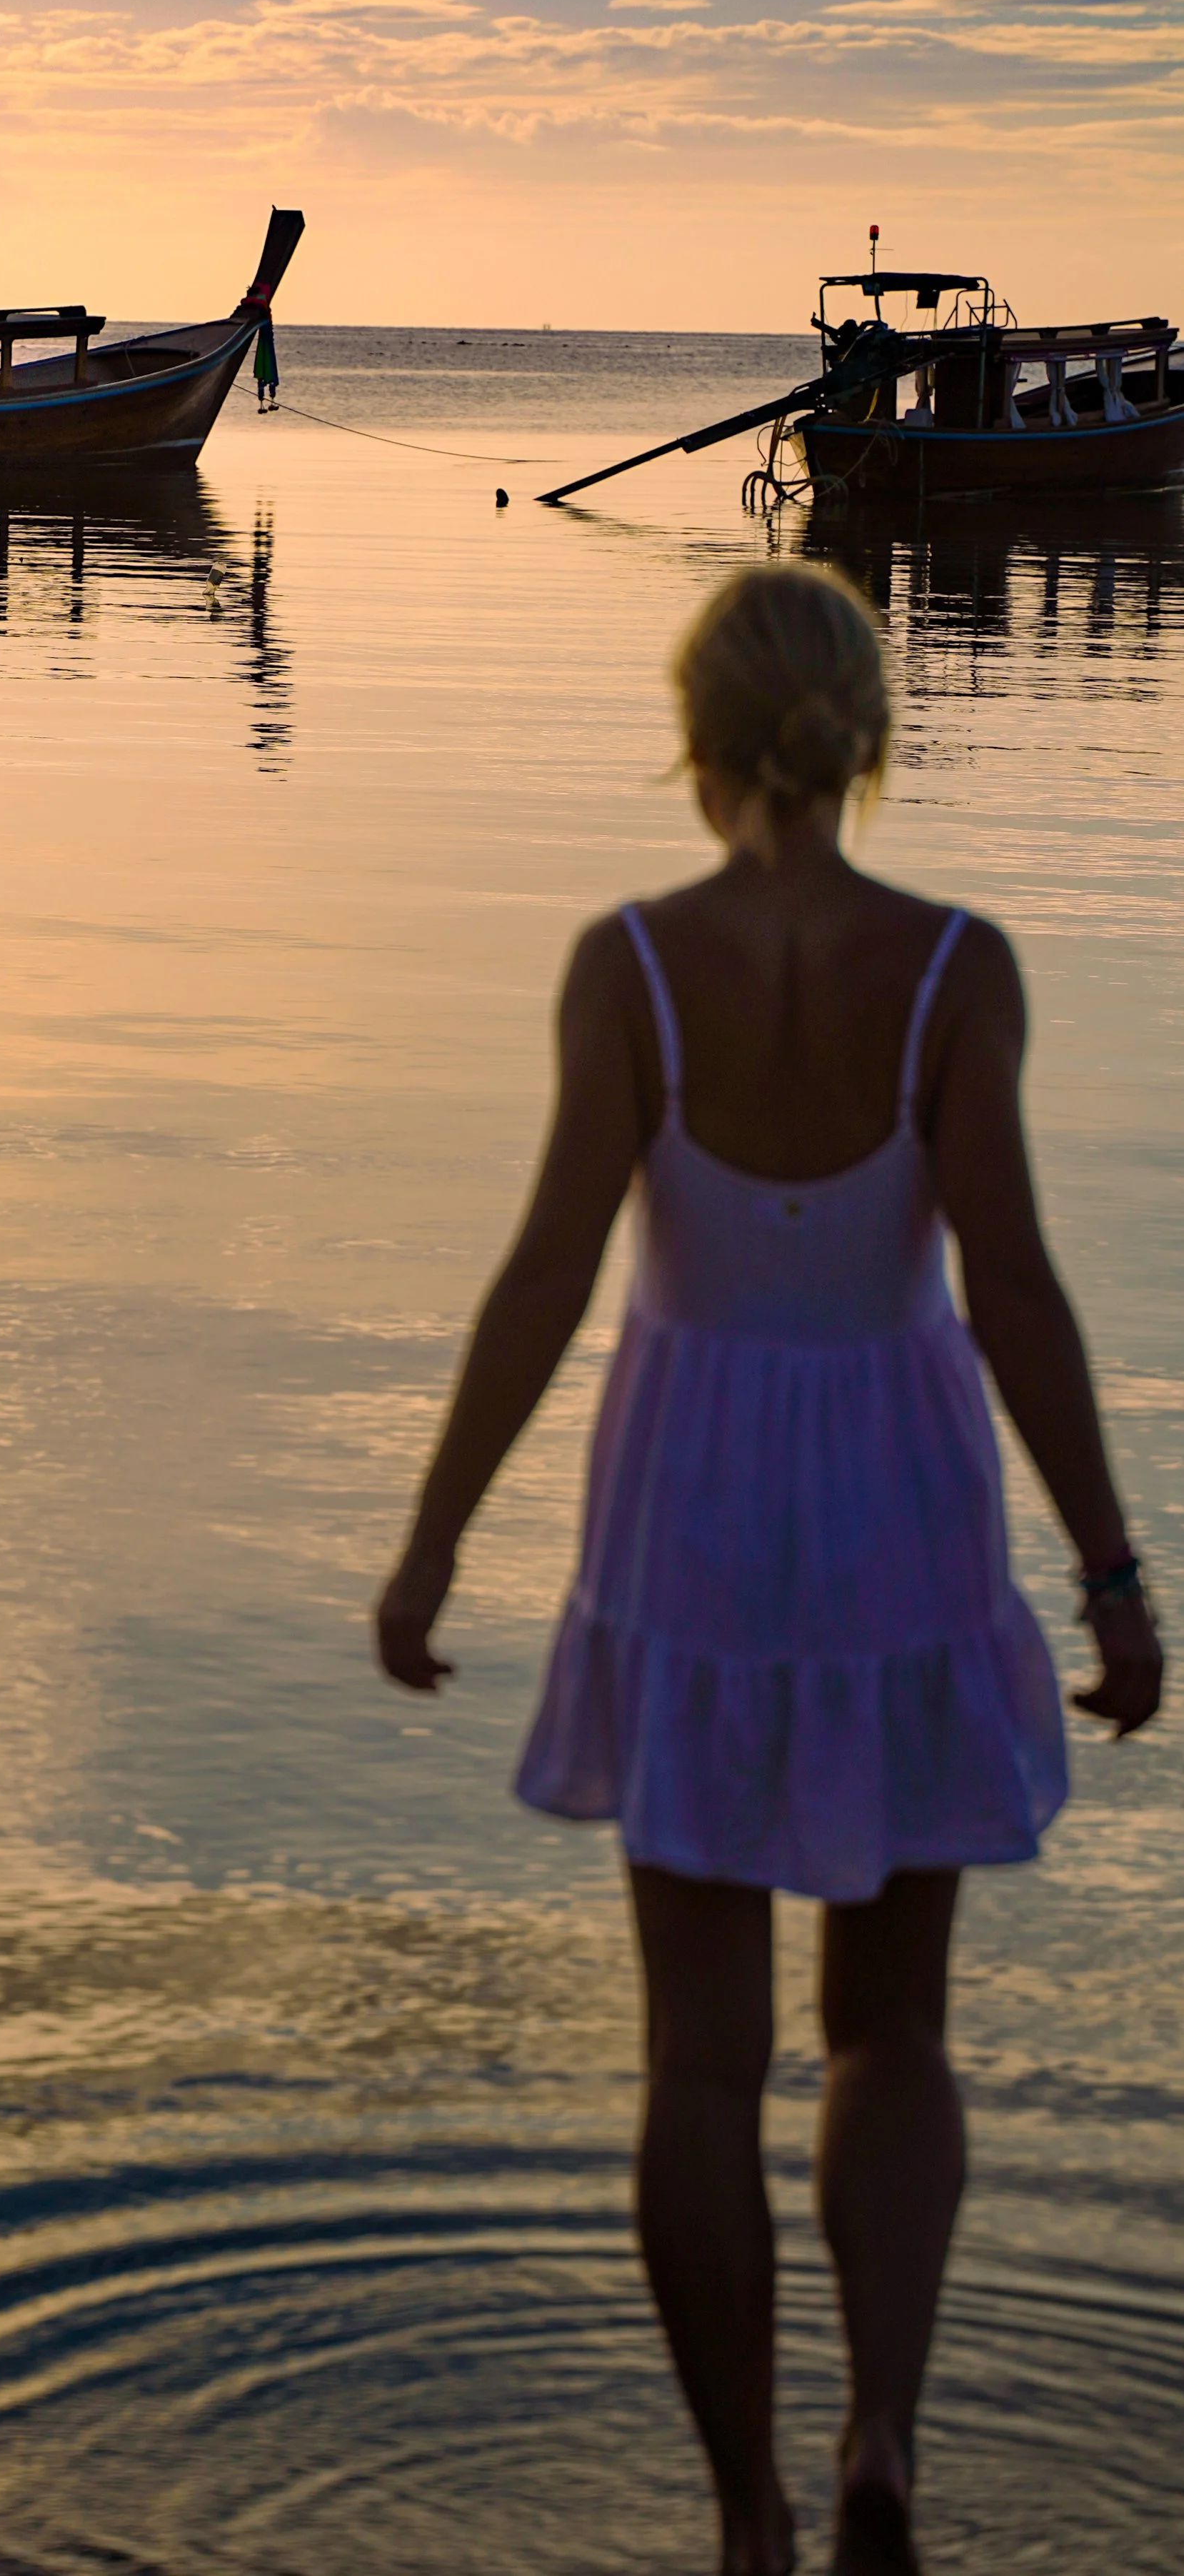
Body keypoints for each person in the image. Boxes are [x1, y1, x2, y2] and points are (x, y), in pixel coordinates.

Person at [374, 563, 1163, 2576]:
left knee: (701, 2061)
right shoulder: (956, 966)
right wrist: (1109, 1570)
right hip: (899, 1505)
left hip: (695, 1514)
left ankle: (744, 2513)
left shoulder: (632, 967)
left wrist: (435, 1539)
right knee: (892, 2030)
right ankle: (879, 2436)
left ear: (696, 739)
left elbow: (548, 1276)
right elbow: (1012, 1286)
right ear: (870, 733)